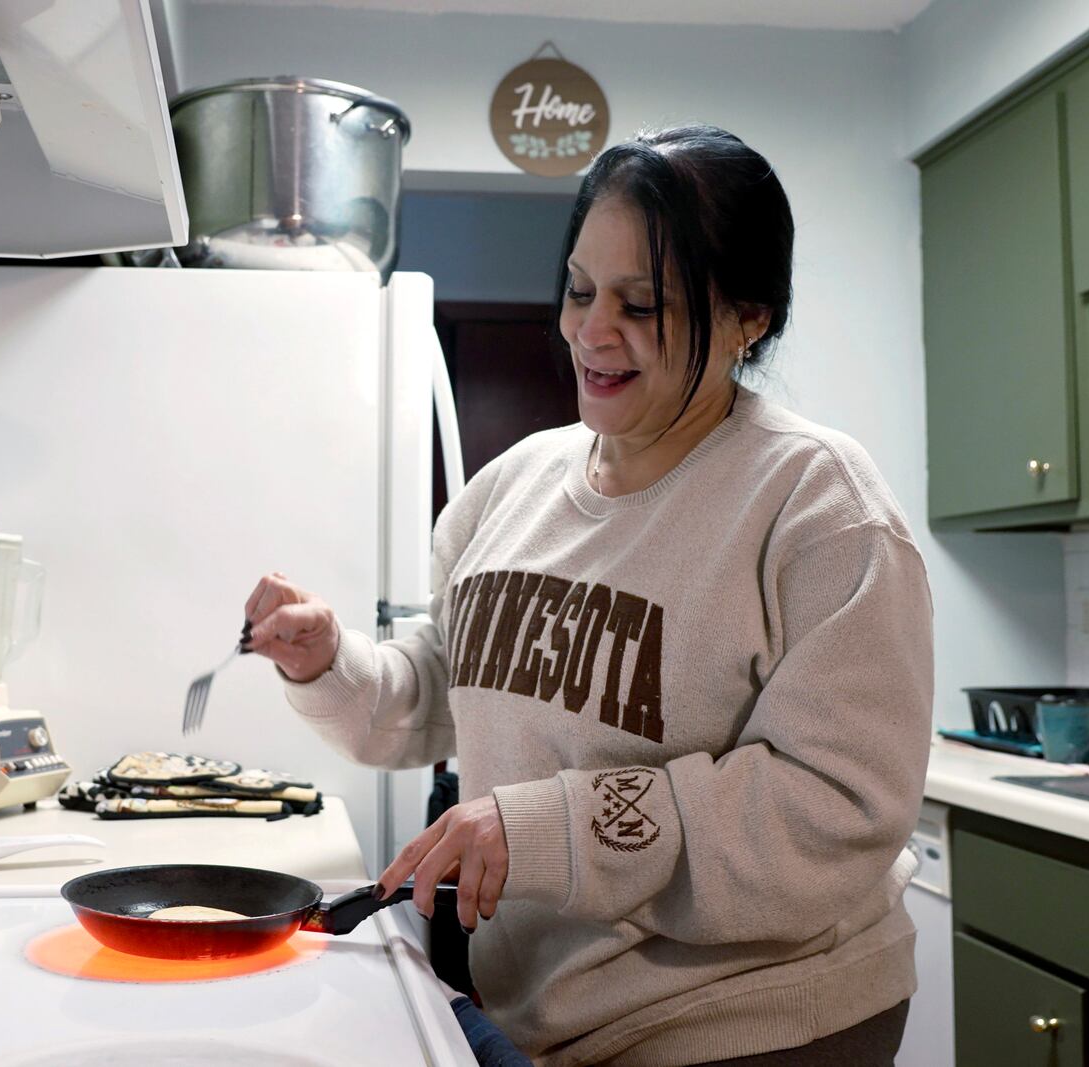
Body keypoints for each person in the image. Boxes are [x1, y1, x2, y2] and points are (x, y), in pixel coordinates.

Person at [242, 124, 933, 1067]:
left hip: (751, 1020)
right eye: (578, 290)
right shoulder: (514, 484)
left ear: (747, 319)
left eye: (642, 304)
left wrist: (553, 825)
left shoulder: (819, 507)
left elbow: (836, 807)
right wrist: (327, 663)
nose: (590, 331)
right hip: (545, 1013)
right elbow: (443, 696)